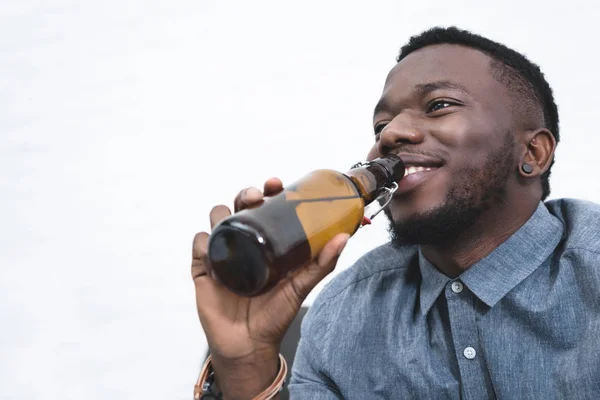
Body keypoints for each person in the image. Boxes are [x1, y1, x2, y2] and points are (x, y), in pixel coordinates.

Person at [191, 26, 600, 399]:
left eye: (439, 105)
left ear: (533, 153)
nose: (390, 134)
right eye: (379, 125)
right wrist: (246, 368)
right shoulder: (341, 317)